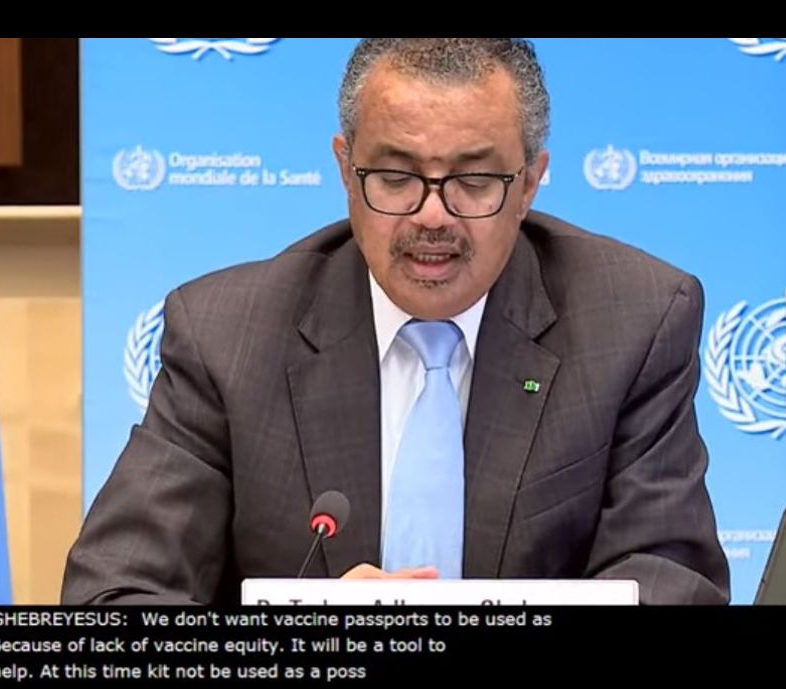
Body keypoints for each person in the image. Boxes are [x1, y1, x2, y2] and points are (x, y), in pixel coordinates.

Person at [62, 38, 730, 605]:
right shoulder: (227, 334)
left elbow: (670, 577)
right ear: (346, 171)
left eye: (474, 181)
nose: (431, 215)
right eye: (395, 176)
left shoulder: (632, 320)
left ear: (529, 183)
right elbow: (113, 592)